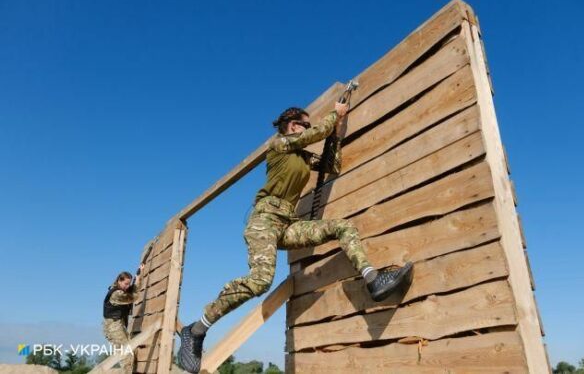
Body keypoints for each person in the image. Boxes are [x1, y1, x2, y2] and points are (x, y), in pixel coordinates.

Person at [177, 102, 414, 373]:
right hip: (264, 221)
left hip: (288, 223)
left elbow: (332, 165)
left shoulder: (301, 155)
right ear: (292, 125)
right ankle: (196, 330)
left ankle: (373, 280)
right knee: (260, 281)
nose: (308, 128)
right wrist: (335, 116)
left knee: (342, 227)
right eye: (305, 124)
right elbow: (315, 135)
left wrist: (335, 134)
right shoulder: (279, 145)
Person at [102, 265, 143, 373]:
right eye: (125, 284)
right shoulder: (116, 293)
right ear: (119, 281)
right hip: (114, 327)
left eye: (129, 284)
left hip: (117, 325)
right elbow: (133, 297)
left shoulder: (118, 289)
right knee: (126, 354)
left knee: (128, 351)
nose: (127, 286)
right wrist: (138, 280)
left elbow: (129, 291)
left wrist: (138, 275)